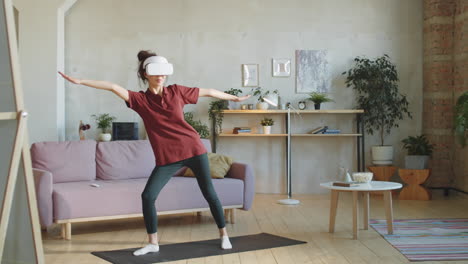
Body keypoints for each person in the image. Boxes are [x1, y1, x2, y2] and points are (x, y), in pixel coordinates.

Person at [58, 50, 251, 256]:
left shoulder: (177, 91)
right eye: (155, 73)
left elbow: (210, 91)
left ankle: (223, 235)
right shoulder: (139, 100)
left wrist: (235, 98)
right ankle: (153, 242)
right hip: (168, 158)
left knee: (209, 193)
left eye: (163, 73)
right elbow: (113, 87)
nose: (161, 76)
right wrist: (80, 81)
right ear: (145, 75)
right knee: (148, 196)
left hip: (194, 149)